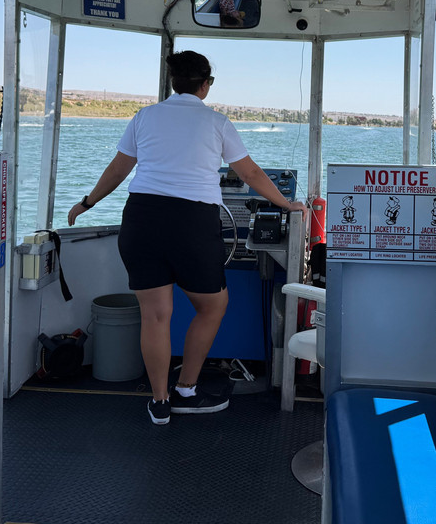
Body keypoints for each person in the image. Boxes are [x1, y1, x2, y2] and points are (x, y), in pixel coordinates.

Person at [67, 51, 306, 425]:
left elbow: (117, 169)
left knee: (156, 316)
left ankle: (159, 403)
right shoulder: (217, 122)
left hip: (142, 219)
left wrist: (87, 202)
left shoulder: (144, 117)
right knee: (212, 307)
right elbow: (251, 174)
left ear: (173, 82)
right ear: (205, 84)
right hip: (193, 223)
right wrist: (287, 204)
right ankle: (186, 389)